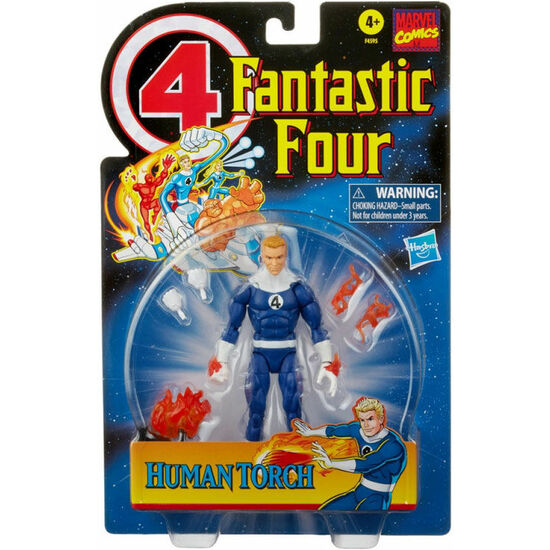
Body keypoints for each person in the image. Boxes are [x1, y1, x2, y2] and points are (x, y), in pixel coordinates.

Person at [208, 235, 340, 441]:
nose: (275, 263)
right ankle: (250, 451)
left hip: (288, 353)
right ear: (261, 257)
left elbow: (316, 328)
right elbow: (232, 327)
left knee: (293, 408)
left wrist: (327, 364)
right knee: (256, 409)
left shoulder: (297, 289)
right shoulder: (250, 288)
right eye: (269, 257)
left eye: (279, 257)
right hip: (260, 353)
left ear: (286, 256)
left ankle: (298, 451)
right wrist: (222, 363)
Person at [294, 397, 406, 510]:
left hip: (377, 497)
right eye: (362, 420)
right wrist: (310, 432)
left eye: (370, 419)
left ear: (381, 419)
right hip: (359, 491)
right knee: (325, 511)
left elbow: (366, 464)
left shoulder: (393, 445)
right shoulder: (358, 430)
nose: (366, 425)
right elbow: (333, 430)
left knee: (367, 518)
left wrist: (331, 463)